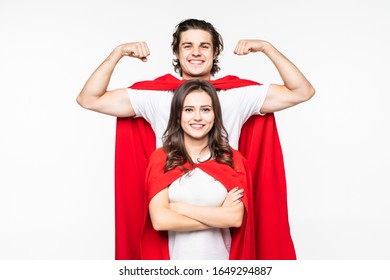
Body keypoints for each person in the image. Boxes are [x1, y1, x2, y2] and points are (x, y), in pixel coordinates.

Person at [76, 18, 315, 260]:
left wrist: (267, 48)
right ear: (177, 52)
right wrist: (116, 54)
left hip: (222, 190)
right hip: (173, 189)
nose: (196, 53)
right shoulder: (156, 96)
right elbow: (89, 99)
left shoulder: (237, 95)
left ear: (216, 51)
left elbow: (302, 91)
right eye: (187, 46)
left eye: (204, 46)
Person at [142, 79, 255, 260]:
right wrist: (219, 216)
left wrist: (179, 207)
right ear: (178, 116)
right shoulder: (161, 158)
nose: (197, 117)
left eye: (205, 109)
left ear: (215, 115)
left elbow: (234, 219)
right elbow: (160, 220)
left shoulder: (232, 159)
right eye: (189, 110)